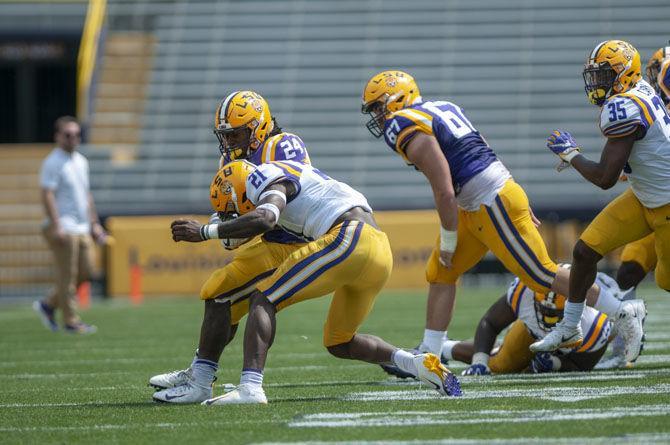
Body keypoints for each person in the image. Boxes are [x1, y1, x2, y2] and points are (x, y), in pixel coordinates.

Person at [360, 70, 644, 370]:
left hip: (488, 200)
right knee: (441, 272)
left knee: (540, 274)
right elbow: (482, 145)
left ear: (399, 98)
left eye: (379, 106)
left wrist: (448, 238)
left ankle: (622, 310)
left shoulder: (401, 122)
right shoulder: (442, 106)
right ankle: (429, 356)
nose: (378, 115)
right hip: (481, 200)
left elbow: (443, 188)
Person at [167, 160, 462, 405]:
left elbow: (266, 217)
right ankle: (413, 363)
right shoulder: (297, 177)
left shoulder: (263, 175)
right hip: (379, 250)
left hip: (349, 236)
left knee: (264, 298)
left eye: (235, 209)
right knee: (339, 341)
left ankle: (251, 388)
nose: (237, 215)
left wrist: (207, 231)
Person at [149, 91, 315, 403]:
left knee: (222, 292)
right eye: (225, 135)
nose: (230, 142)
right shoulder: (231, 158)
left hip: (292, 242)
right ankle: (200, 371)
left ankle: (203, 378)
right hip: (270, 240)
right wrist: (224, 224)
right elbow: (230, 208)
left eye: (237, 133)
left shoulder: (281, 145)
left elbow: (289, 200)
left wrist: (209, 230)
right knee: (221, 297)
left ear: (259, 127)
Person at [533, 40, 669, 358]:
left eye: (605, 75)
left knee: (665, 280)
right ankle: (570, 325)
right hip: (644, 196)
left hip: (664, 205)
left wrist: (572, 155)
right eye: (595, 75)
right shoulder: (641, 92)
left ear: (625, 74)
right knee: (584, 251)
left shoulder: (623, 107)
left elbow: (604, 179)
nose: (598, 83)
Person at [445, 267, 616, 375]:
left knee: (537, 370)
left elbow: (582, 366)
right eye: (544, 309)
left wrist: (555, 364)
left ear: (577, 306)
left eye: (557, 312)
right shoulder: (523, 292)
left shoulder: (595, 324)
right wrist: (479, 362)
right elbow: (490, 322)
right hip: (531, 333)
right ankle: (443, 348)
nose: (549, 318)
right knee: (501, 365)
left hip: (571, 347)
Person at [33, 116, 104, 334]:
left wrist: (94, 223)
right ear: (57, 136)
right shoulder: (53, 161)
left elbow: (86, 195)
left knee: (87, 272)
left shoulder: (81, 161)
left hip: (81, 226)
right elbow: (47, 194)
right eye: (67, 134)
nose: (73, 138)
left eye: (76, 134)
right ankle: (71, 321)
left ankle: (48, 304)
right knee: (68, 276)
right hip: (64, 225)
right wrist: (57, 225)